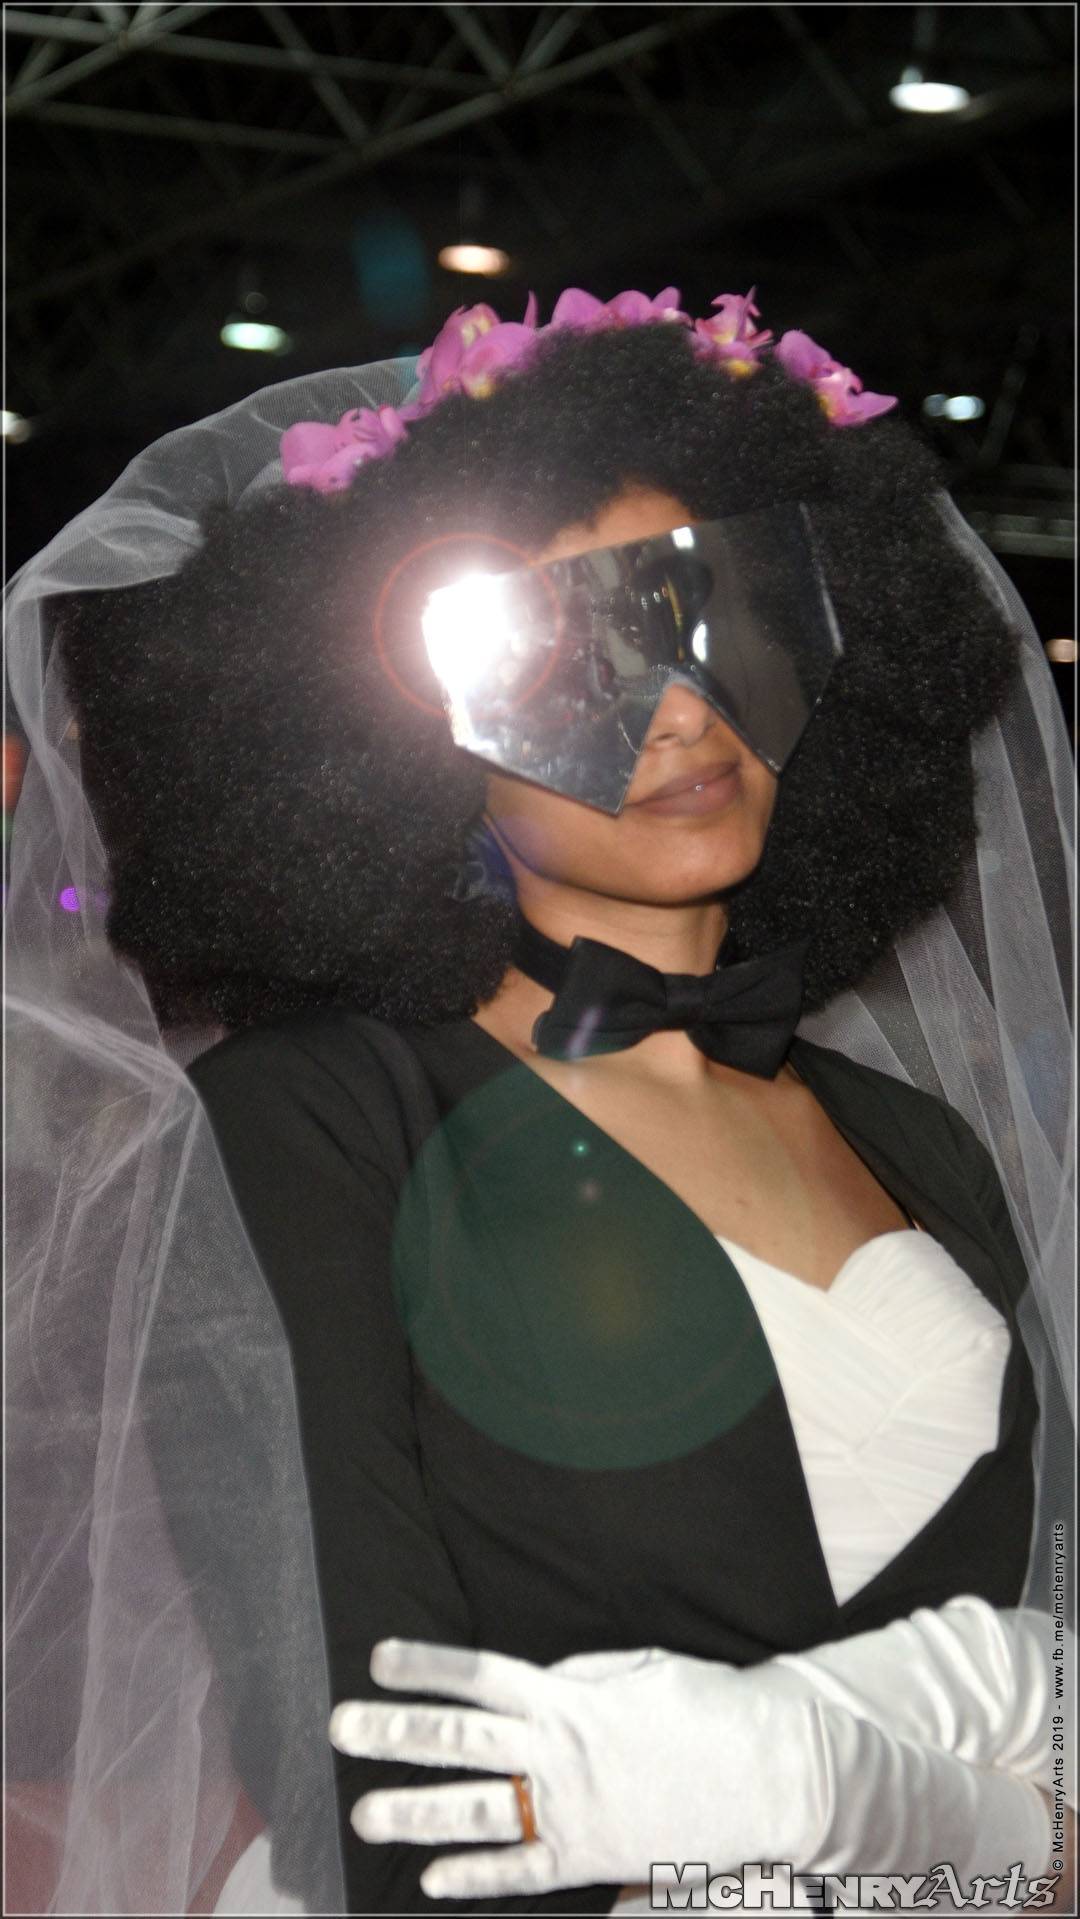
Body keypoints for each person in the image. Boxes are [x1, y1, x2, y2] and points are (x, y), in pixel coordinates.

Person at [4, 284, 1074, 1917]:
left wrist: (863, 1795)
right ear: (393, 751)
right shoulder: (314, 1126)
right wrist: (947, 1805)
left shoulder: (917, 1146)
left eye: (710, 612)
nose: (681, 711)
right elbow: (378, 1797)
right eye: (554, 662)